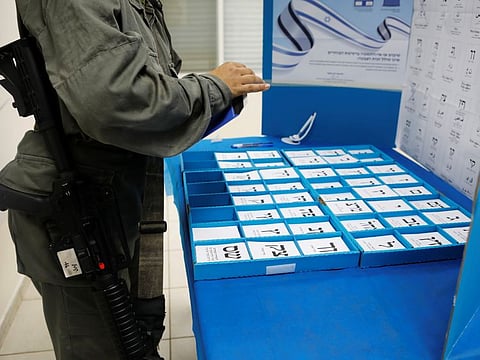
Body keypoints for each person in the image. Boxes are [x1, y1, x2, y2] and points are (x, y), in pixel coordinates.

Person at [1, 0, 270, 359]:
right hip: (77, 213)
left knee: (135, 333)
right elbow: (120, 103)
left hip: (114, 199)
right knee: (101, 346)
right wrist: (214, 87)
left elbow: (152, 81)